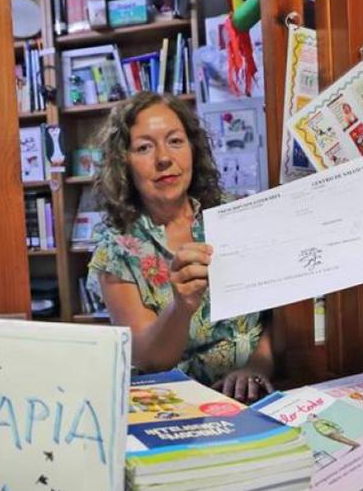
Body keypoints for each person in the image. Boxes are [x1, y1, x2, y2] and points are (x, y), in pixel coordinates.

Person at [87, 92, 274, 402]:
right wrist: (181, 307)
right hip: (175, 407)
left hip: (259, 393)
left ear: (192, 148)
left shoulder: (235, 215)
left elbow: (279, 313)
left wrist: (257, 365)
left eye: (175, 141)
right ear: (124, 163)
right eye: (144, 147)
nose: (164, 158)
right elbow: (148, 357)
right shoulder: (116, 250)